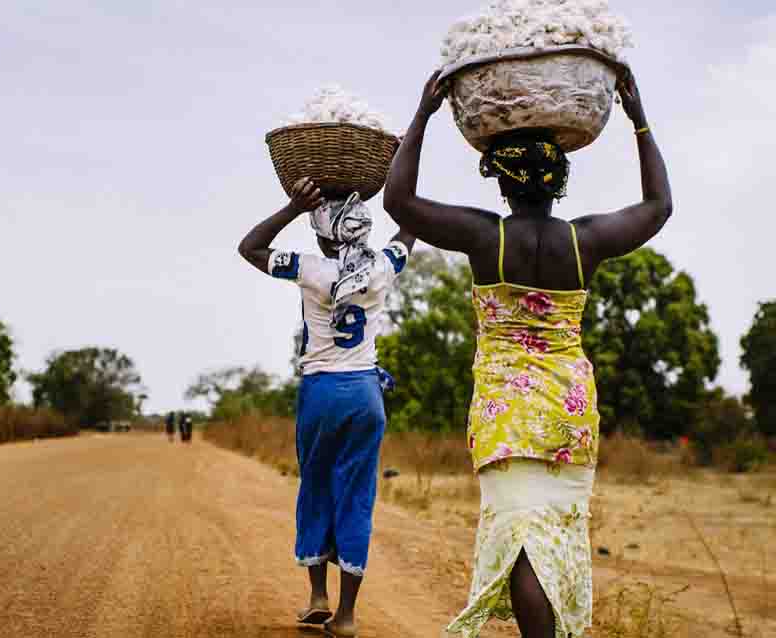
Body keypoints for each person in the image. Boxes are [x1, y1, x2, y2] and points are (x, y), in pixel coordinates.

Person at [383, 69, 671, 638]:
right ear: (559, 177)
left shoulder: (484, 237)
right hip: (569, 408)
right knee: (555, 535)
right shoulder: (584, 240)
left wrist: (424, 114)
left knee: (521, 541)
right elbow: (658, 205)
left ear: (500, 179)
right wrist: (638, 118)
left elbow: (398, 200)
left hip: (506, 412)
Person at [238, 177, 416, 637]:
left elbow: (250, 247)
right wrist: (395, 168)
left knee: (315, 487)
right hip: (365, 395)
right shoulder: (382, 267)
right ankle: (348, 615)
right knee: (356, 498)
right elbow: (408, 226)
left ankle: (317, 595)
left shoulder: (310, 268)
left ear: (320, 234)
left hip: (321, 393)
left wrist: (293, 206)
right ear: (362, 232)